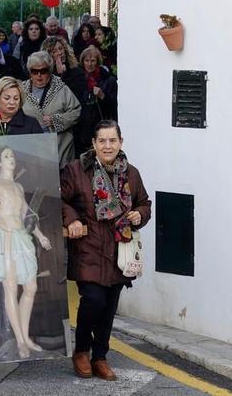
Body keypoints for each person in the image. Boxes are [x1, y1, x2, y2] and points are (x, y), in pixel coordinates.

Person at [60, 120, 151, 381]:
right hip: (88, 248)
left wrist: (139, 215)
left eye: (112, 140)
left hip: (119, 251)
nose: (107, 146)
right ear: (94, 144)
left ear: (121, 142)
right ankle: (81, 349)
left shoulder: (130, 173)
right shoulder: (76, 170)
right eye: (102, 141)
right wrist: (72, 219)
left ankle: (100, 356)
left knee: (109, 307)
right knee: (94, 300)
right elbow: (60, 199)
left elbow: (144, 203)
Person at [0, 146, 53, 359]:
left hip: (22, 237)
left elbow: (27, 214)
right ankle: (21, 340)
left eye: (12, 155)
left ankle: (26, 336)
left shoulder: (18, 186)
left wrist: (40, 236)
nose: (11, 158)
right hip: (4, 236)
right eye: (6, 156)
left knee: (31, 287)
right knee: (11, 287)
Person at [21, 51, 81, 167]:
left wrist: (56, 120)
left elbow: (76, 111)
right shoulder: (21, 90)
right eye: (34, 71)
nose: (39, 75)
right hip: (31, 150)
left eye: (43, 71)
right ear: (29, 72)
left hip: (59, 148)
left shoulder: (61, 88)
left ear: (49, 71)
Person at [75, 46, 118, 155]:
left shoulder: (109, 80)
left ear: (98, 62)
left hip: (101, 127)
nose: (89, 64)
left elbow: (114, 106)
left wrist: (103, 96)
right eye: (87, 61)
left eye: (93, 61)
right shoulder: (79, 80)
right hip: (83, 131)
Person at [41, 36, 87, 102]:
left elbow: (76, 96)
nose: (60, 53)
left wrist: (63, 75)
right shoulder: (43, 74)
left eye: (60, 48)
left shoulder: (77, 71)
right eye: (54, 51)